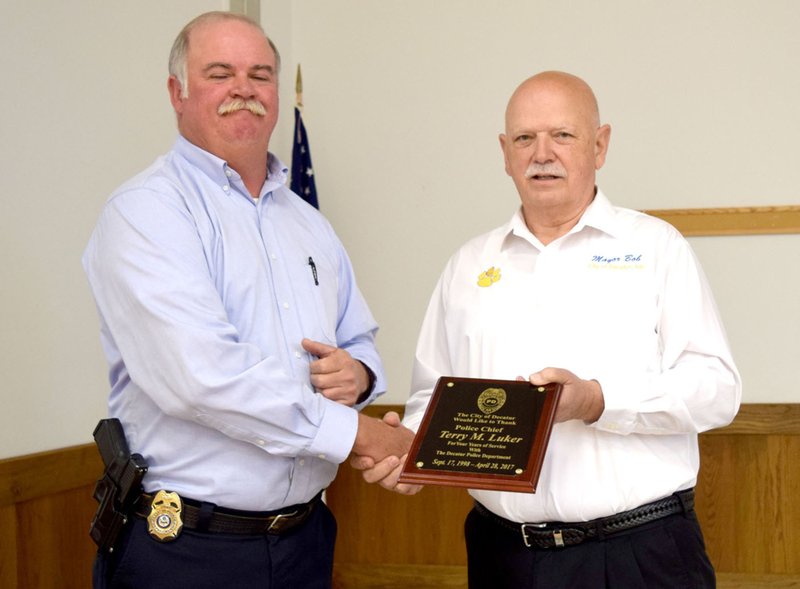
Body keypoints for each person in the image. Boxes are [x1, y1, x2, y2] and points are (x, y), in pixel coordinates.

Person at [353, 71, 742, 589]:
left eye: (563, 135)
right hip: (506, 558)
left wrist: (596, 401)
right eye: (524, 138)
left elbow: (716, 390)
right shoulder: (468, 265)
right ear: (504, 152)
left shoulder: (657, 248)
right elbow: (434, 397)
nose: (542, 153)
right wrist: (411, 453)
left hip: (640, 556)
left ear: (599, 145)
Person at [82, 11, 413, 589]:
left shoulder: (309, 224)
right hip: (188, 550)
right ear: (177, 92)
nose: (244, 89)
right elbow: (203, 377)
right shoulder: (147, 213)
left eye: (260, 75)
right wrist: (362, 435)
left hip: (306, 541)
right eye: (220, 73)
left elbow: (360, 338)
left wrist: (358, 375)